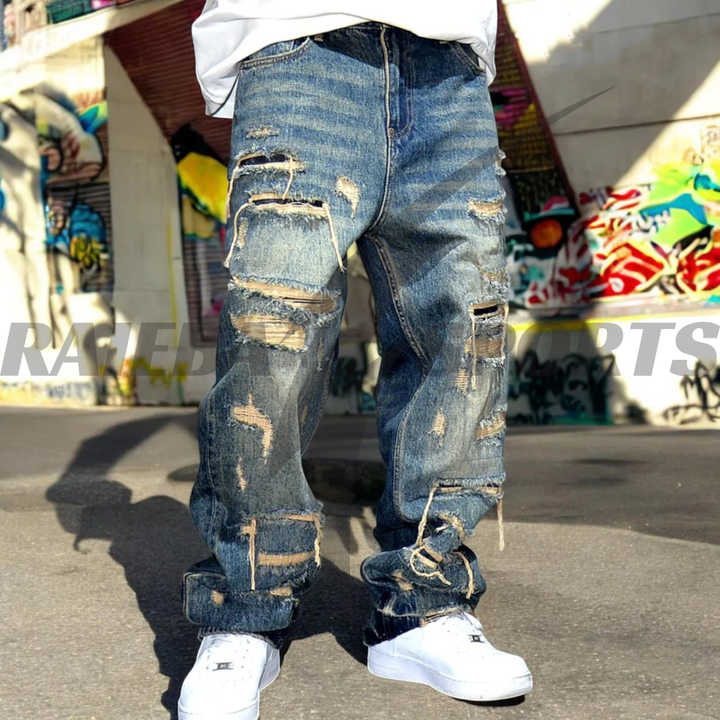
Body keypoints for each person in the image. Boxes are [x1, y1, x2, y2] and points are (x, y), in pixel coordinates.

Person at [178, 3, 532, 718]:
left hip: (449, 64)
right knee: (271, 337)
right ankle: (246, 608)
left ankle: (423, 605)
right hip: (294, 44)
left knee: (464, 333)